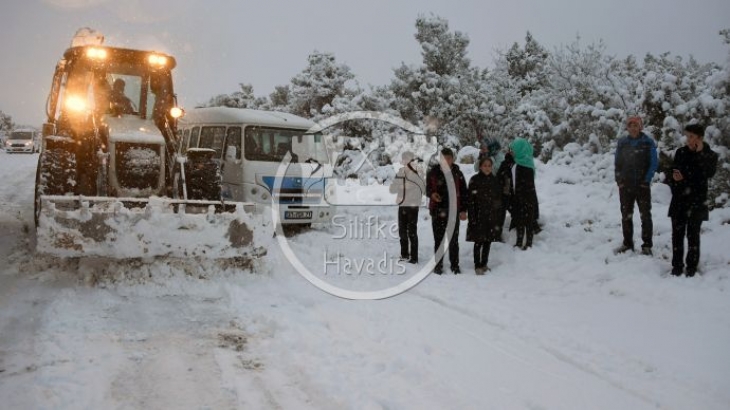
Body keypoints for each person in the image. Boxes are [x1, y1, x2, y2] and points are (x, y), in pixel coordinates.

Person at [666, 123, 718, 276]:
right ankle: (676, 265)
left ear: (700, 138)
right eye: (687, 136)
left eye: (691, 136)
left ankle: (691, 267)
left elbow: (706, 174)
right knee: (677, 235)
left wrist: (686, 177)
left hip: (697, 201)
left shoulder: (710, 155)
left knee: (693, 236)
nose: (688, 139)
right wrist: (674, 178)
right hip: (679, 200)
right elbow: (673, 172)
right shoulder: (681, 152)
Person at [614, 116, 658, 255]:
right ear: (627, 127)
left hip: (642, 185)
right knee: (626, 215)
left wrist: (647, 180)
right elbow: (618, 163)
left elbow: (653, 163)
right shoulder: (623, 142)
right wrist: (619, 180)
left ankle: (647, 245)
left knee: (645, 215)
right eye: (630, 125)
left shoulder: (647, 142)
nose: (633, 128)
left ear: (640, 127)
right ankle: (627, 243)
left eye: (635, 125)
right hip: (626, 185)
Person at [427, 147, 468, 274]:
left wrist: (463, 210)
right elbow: (427, 188)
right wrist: (432, 194)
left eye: (448, 158)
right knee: (439, 239)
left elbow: (464, 193)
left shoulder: (457, 173)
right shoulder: (433, 173)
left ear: (453, 159)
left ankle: (455, 265)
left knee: (453, 240)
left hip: (453, 211)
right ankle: (438, 265)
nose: (446, 161)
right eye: (443, 158)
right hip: (437, 211)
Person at [467, 157, 503, 274]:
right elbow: (470, 200)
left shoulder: (495, 180)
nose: (487, 168)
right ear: (480, 167)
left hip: (491, 217)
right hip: (478, 216)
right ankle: (477, 265)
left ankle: (484, 264)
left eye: (489, 166)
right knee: (478, 241)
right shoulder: (474, 180)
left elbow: (498, 199)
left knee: (488, 241)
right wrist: (472, 217)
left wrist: (497, 215)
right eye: (485, 165)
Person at [390, 151, 426, 264]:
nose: (406, 161)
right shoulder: (401, 172)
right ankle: (404, 254)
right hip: (402, 205)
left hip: (413, 206)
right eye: (404, 159)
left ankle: (414, 257)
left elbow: (423, 189)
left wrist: (409, 187)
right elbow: (392, 189)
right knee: (402, 231)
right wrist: (400, 186)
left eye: (408, 159)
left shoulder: (418, 172)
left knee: (412, 232)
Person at [509, 138, 539, 250]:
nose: (511, 151)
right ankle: (526, 242)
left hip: (521, 197)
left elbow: (516, 183)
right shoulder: (529, 164)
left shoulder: (518, 165)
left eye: (513, 149)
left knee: (523, 221)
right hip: (529, 197)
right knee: (527, 221)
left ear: (519, 149)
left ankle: (523, 242)